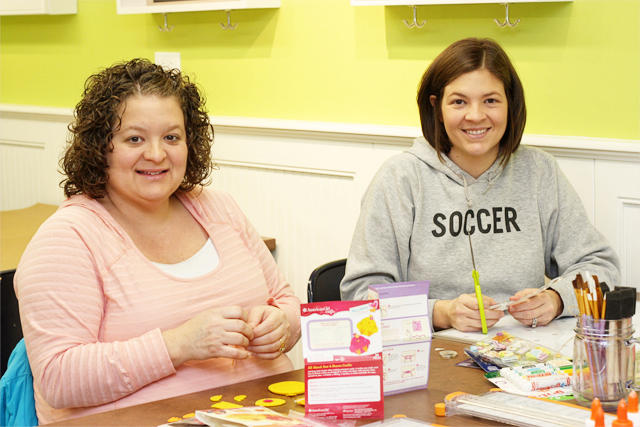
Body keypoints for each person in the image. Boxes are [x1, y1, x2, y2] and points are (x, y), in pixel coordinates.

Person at [14, 58, 301, 425]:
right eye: (135, 138)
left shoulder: (218, 208)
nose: (156, 154)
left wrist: (282, 324)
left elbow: (286, 301)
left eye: (171, 136)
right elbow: (58, 377)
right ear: (101, 147)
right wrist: (179, 344)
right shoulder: (67, 239)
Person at [340, 38, 620, 333]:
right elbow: (361, 294)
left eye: (491, 100)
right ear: (436, 107)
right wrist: (441, 312)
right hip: (431, 354)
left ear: (510, 103)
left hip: (527, 355)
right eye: (459, 101)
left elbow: (600, 267)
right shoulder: (399, 178)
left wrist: (557, 300)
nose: (475, 116)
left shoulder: (539, 171)